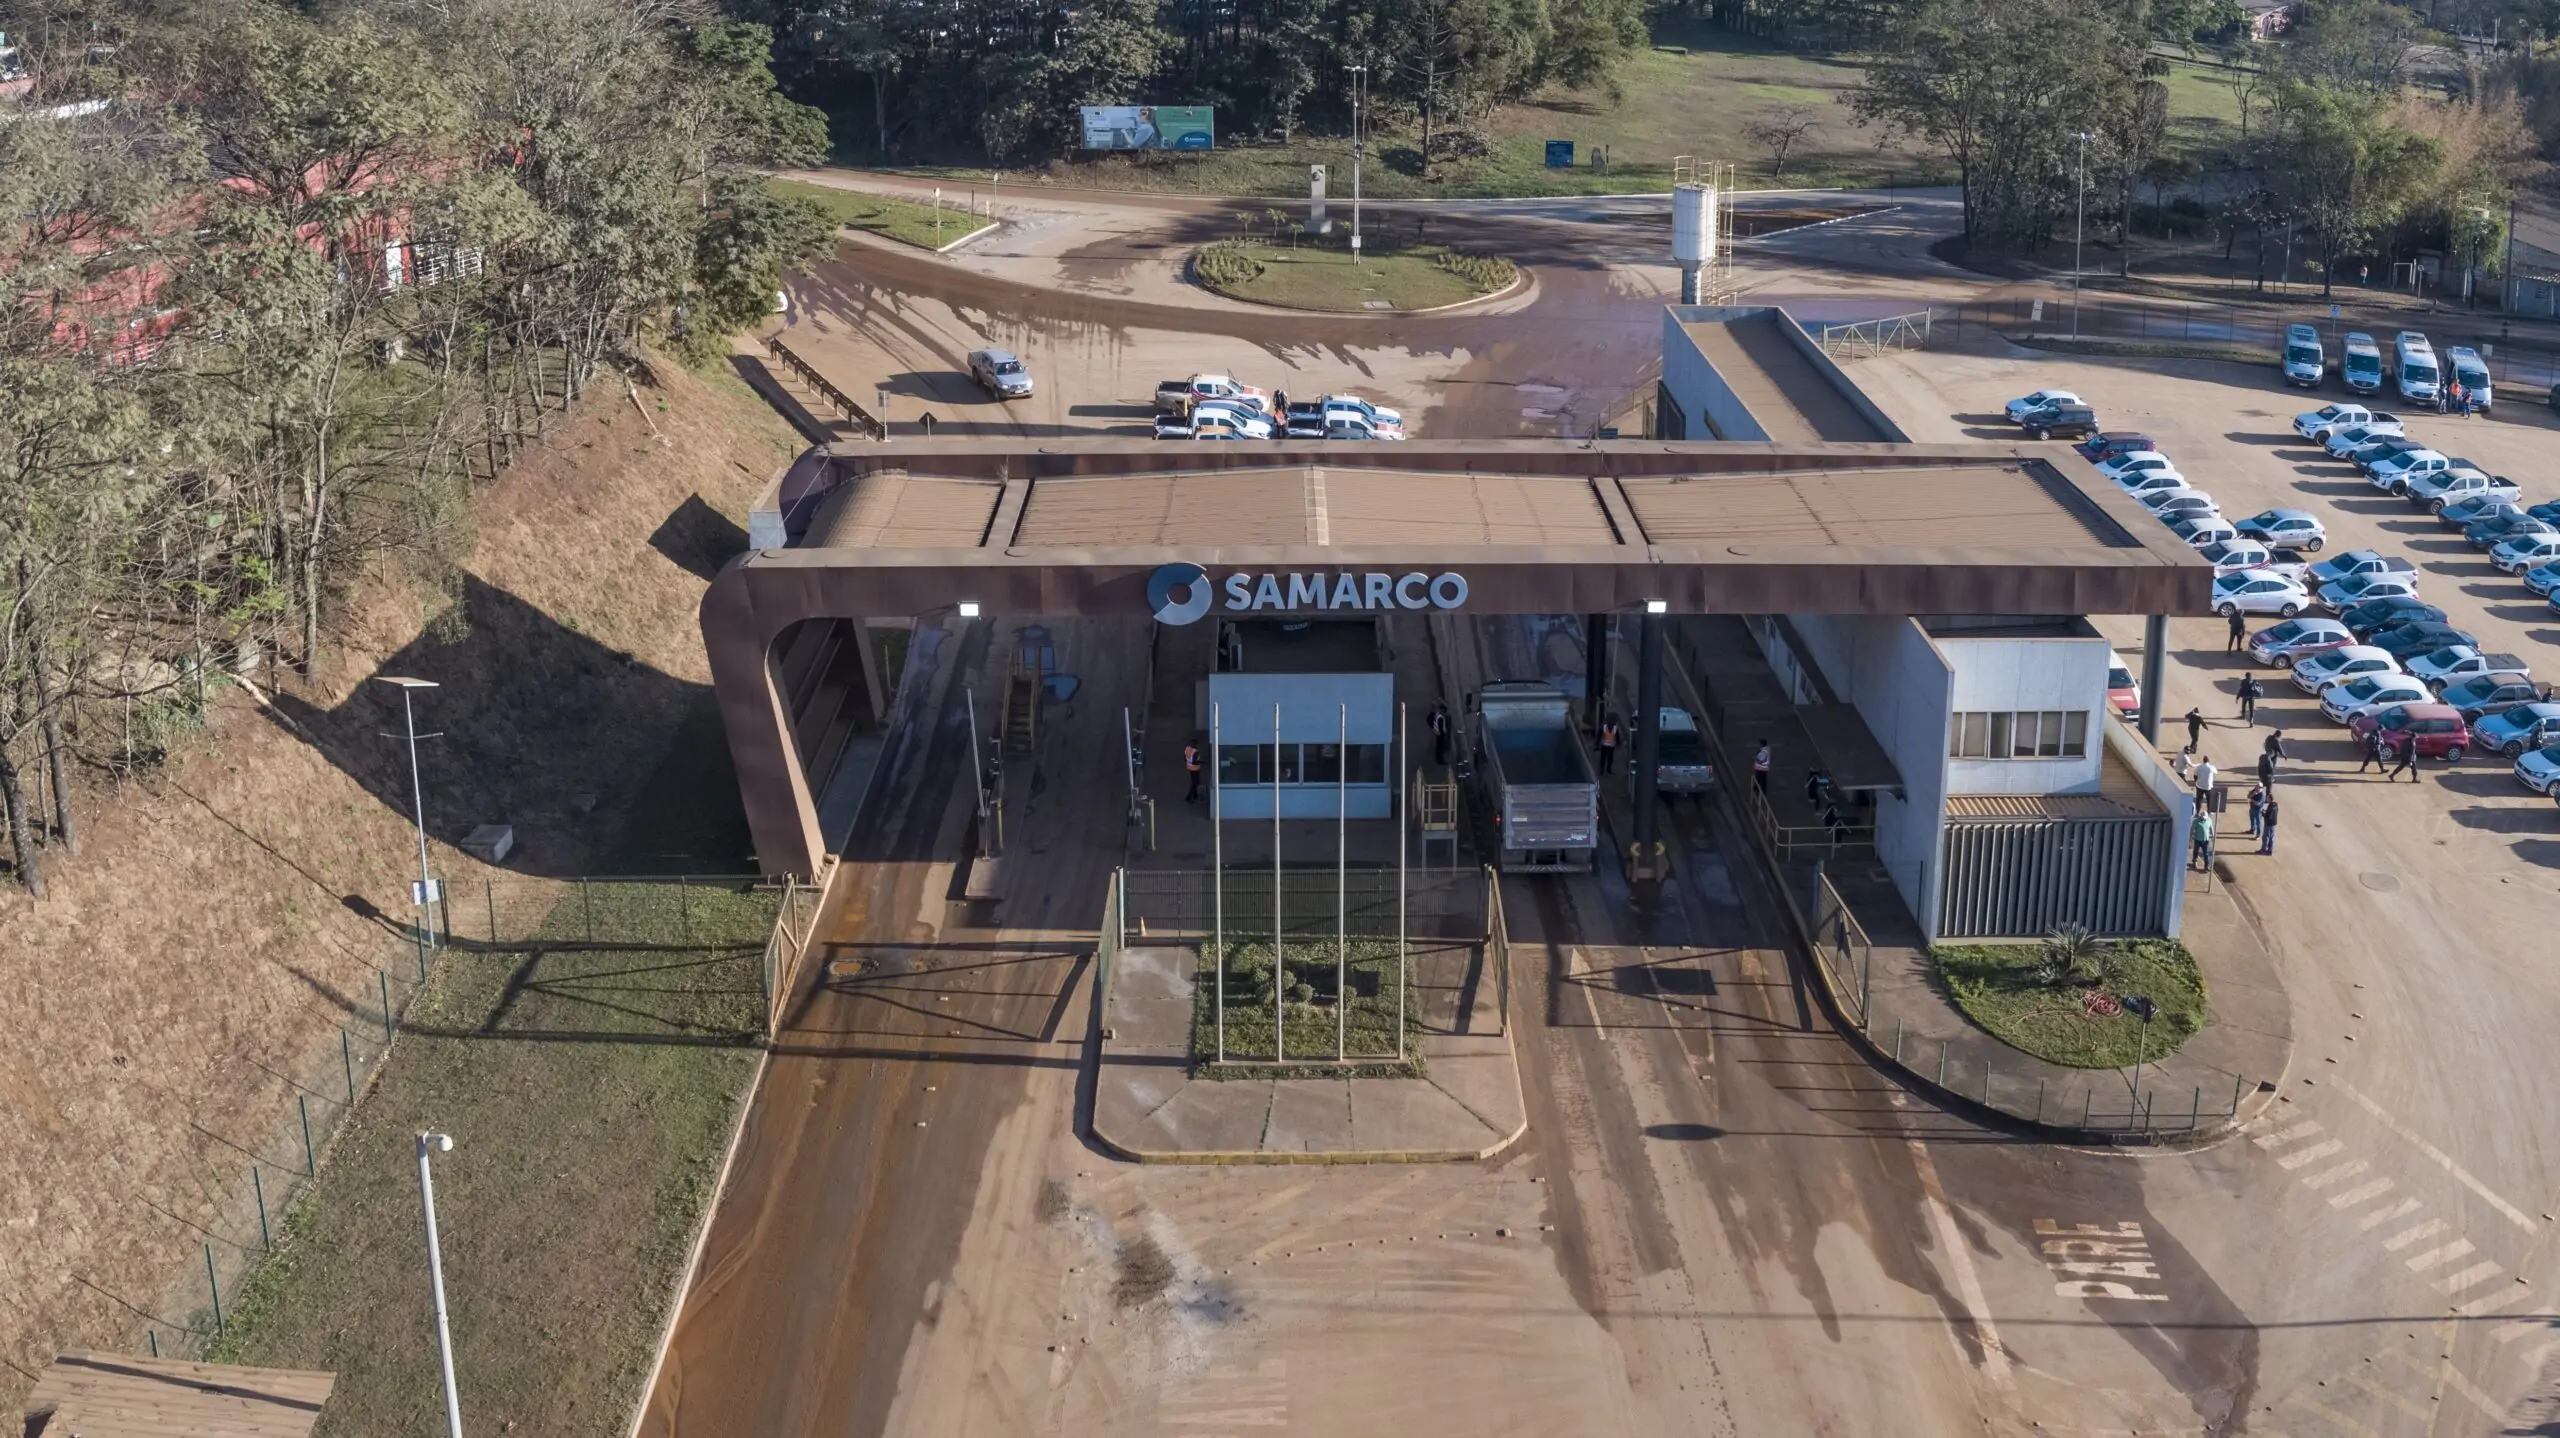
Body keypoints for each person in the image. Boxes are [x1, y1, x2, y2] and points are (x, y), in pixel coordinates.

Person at [2191, 805, 2216, 871]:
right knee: (2196, 851)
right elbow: (2192, 829)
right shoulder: (2196, 821)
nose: (2204, 819)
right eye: (2203, 818)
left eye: (2205, 818)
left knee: (2206, 853)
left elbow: (2211, 829)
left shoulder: (2209, 820)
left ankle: (2206, 865)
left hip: (2205, 840)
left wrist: (2213, 836)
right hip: (2197, 839)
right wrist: (2190, 838)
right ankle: (2194, 861)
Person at [1428, 701, 1451, 767]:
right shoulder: (1440, 717)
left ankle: (1439, 759)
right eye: (1444, 711)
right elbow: (1441, 726)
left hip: (1439, 733)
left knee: (1439, 747)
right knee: (1440, 747)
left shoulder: (1438, 715)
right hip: (1440, 734)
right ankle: (1440, 760)